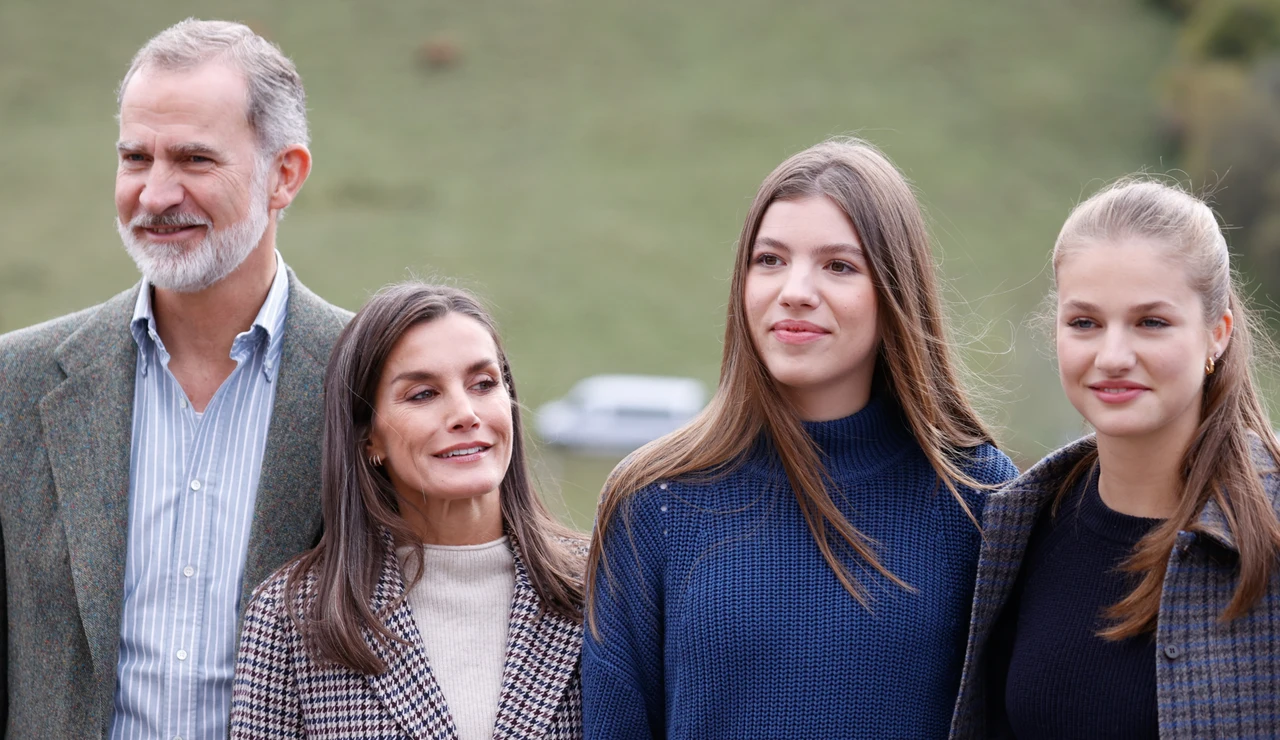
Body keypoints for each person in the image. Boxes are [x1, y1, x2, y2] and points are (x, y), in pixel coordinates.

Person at [582, 138, 1019, 739]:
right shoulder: (653, 500)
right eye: (770, 260)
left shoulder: (979, 496)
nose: (794, 290)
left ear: (895, 292)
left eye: (838, 265)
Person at [0, 19, 350, 738]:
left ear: (284, 175)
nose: (156, 194)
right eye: (136, 158)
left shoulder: (370, 378)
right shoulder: (17, 383)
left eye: (194, 159)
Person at [950, 179, 1280, 739]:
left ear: (1217, 334)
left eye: (1151, 322)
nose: (1113, 356)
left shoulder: (1268, 529)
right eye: (1085, 323)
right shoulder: (1015, 526)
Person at [230, 282, 587, 738]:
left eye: (484, 384)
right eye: (422, 394)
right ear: (369, 438)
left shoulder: (600, 588)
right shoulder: (293, 616)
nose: (465, 413)